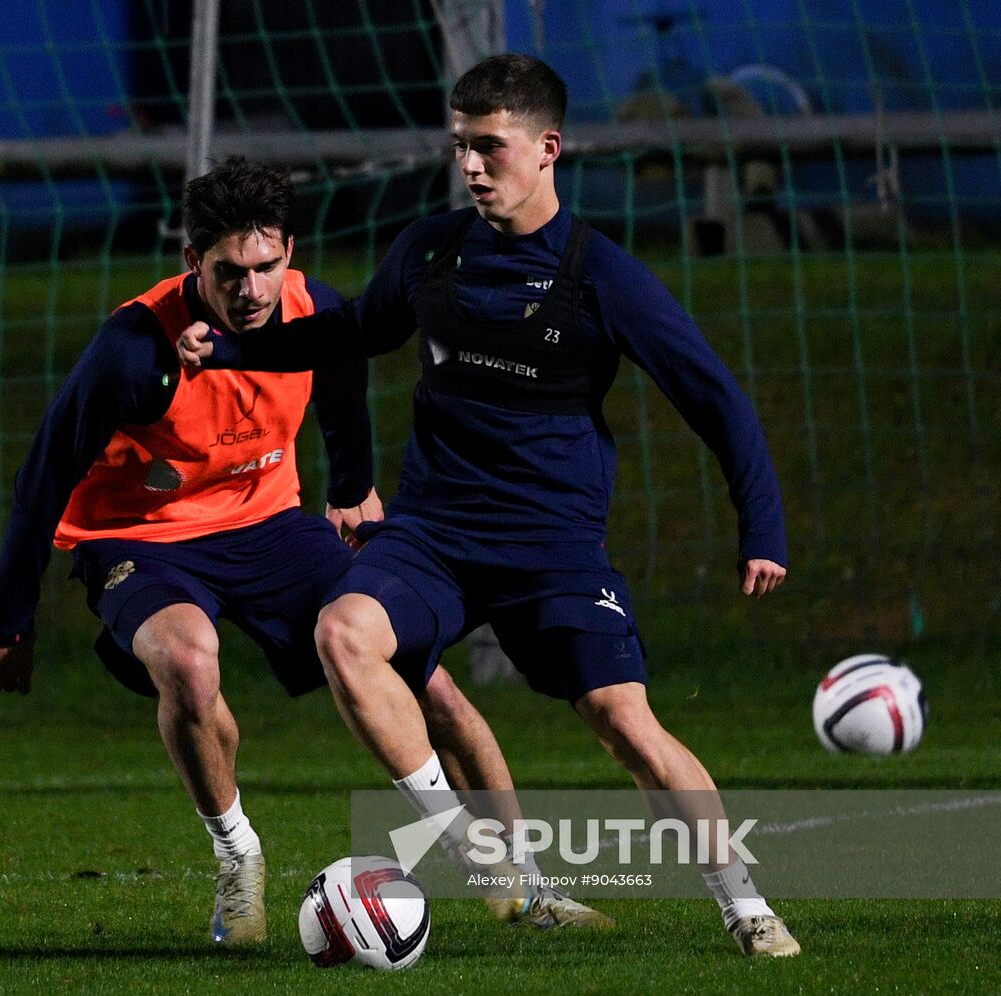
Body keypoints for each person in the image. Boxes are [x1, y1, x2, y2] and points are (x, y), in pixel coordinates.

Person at [178, 56, 800, 958]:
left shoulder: (601, 273)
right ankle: (480, 851)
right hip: (433, 535)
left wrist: (763, 527)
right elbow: (353, 333)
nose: (471, 165)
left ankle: (745, 903)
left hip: (554, 546)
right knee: (343, 631)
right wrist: (233, 353)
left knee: (626, 723)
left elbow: (714, 397)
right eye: (461, 145)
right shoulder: (431, 249)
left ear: (547, 149)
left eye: (490, 147)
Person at [0, 156, 567, 946]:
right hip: (142, 538)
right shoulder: (133, 348)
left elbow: (344, 395)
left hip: (270, 524)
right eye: (229, 272)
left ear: (289, 249)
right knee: (188, 662)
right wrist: (10, 622)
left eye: (265, 266)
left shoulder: (314, 309)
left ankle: (519, 885)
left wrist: (353, 490)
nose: (250, 290)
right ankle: (238, 859)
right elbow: (40, 480)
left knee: (430, 685)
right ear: (194, 262)